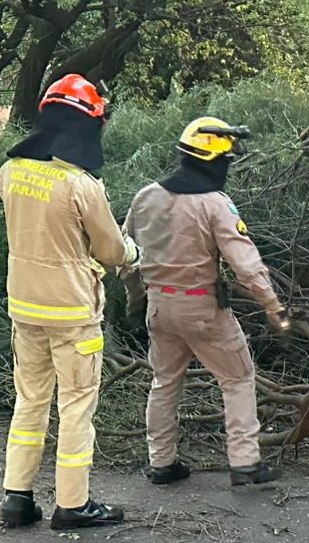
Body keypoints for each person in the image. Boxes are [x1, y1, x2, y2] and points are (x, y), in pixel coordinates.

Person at [0, 73, 138, 530]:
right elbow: (111, 251)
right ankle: (73, 505)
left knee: (30, 401)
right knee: (76, 406)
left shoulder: (10, 172)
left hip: (25, 306)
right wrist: (134, 252)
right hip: (73, 313)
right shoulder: (81, 185)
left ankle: (16, 499)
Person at [122, 116, 290, 487]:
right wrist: (273, 306)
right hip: (201, 309)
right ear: (213, 160)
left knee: (164, 381)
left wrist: (136, 300)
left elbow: (125, 257)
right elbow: (246, 265)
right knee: (238, 376)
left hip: (158, 305)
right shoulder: (215, 204)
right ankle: (245, 463)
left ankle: (162, 463)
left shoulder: (145, 197)